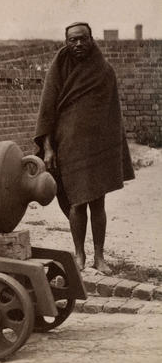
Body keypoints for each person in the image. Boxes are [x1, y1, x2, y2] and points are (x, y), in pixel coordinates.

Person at [34, 22, 134, 274]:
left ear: (91, 39)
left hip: (97, 147)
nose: (78, 44)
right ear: (66, 42)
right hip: (68, 147)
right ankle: (79, 255)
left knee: (97, 203)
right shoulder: (59, 67)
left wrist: (111, 148)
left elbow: (112, 114)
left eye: (83, 39)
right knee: (77, 202)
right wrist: (48, 148)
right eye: (72, 40)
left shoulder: (104, 71)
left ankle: (99, 257)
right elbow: (47, 110)